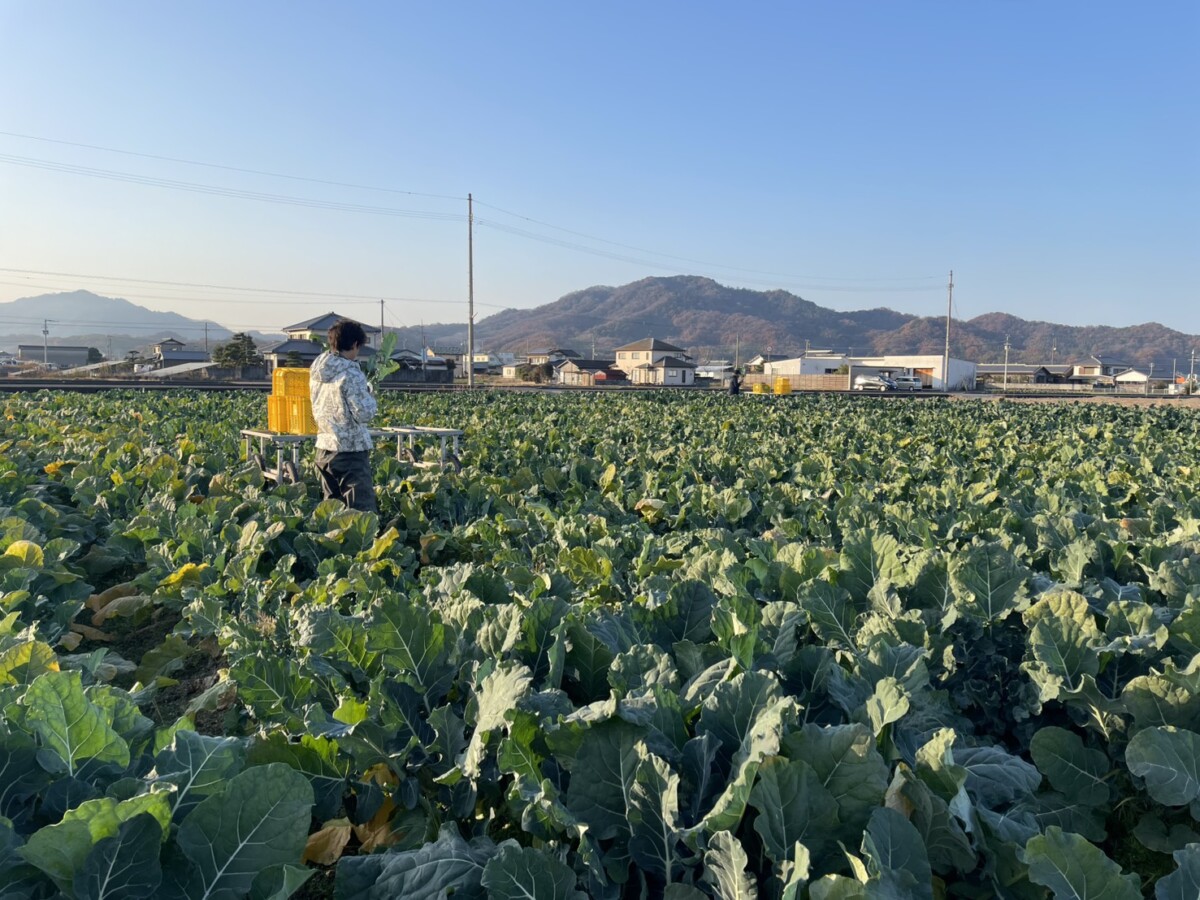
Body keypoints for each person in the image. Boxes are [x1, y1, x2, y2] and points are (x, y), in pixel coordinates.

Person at [309, 319, 379, 513]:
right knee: (360, 514)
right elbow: (364, 413)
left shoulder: (318, 370)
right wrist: (370, 396)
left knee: (332, 510)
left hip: (324, 448)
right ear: (355, 344)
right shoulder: (351, 373)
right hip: (349, 450)